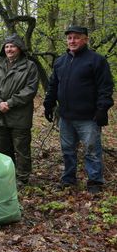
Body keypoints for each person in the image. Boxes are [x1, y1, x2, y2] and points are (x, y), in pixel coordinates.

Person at [43, 26, 114, 194]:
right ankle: (69, 179)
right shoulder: (60, 61)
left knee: (92, 150)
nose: (72, 41)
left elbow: (106, 87)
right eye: (69, 38)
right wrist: (48, 103)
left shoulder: (96, 60)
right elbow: (53, 85)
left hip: (88, 117)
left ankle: (95, 181)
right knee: (67, 149)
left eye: (76, 37)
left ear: (85, 39)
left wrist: (102, 109)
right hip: (66, 116)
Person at [0, 33, 39, 186]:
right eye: (7, 46)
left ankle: (22, 177)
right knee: (3, 147)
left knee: (21, 148)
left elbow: (30, 89)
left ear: (19, 48)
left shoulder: (29, 66)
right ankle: (7, 174)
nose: (9, 49)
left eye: (12, 46)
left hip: (19, 114)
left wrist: (10, 103)